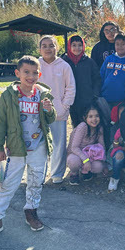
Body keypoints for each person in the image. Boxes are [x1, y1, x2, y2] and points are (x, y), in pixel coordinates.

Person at [0, 56, 56, 240]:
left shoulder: (43, 94)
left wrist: (49, 110)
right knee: (8, 184)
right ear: (17, 73)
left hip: (39, 147)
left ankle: (31, 211)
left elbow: (50, 119)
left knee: (36, 181)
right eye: (26, 72)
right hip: (16, 149)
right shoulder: (9, 95)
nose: (31, 76)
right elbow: (0, 122)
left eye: (35, 72)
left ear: (39, 74)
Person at [38, 35, 76, 184]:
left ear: (57, 48)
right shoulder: (36, 64)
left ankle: (57, 173)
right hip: (38, 112)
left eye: (51, 45)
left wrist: (64, 106)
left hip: (58, 112)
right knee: (39, 143)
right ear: (40, 49)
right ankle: (39, 174)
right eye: (44, 46)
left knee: (58, 143)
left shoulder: (64, 65)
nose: (48, 49)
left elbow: (71, 87)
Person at [62, 35, 101, 128]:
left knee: (87, 124)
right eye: (74, 45)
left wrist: (94, 94)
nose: (77, 48)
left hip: (87, 99)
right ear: (69, 47)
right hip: (71, 100)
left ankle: (89, 142)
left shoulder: (89, 62)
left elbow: (97, 79)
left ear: (83, 46)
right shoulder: (64, 62)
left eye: (79, 45)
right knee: (76, 124)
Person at [67, 104, 107, 185]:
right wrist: (86, 160)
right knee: (74, 161)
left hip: (89, 155)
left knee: (99, 166)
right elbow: (74, 148)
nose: (94, 119)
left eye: (96, 116)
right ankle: (74, 173)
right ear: (85, 118)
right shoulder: (83, 127)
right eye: (90, 116)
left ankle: (86, 172)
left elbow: (102, 147)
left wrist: (105, 164)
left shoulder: (99, 128)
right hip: (76, 154)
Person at [100, 34, 125, 108]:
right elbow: (101, 76)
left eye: (123, 44)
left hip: (123, 101)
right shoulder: (109, 59)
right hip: (105, 97)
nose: (120, 47)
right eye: (117, 44)